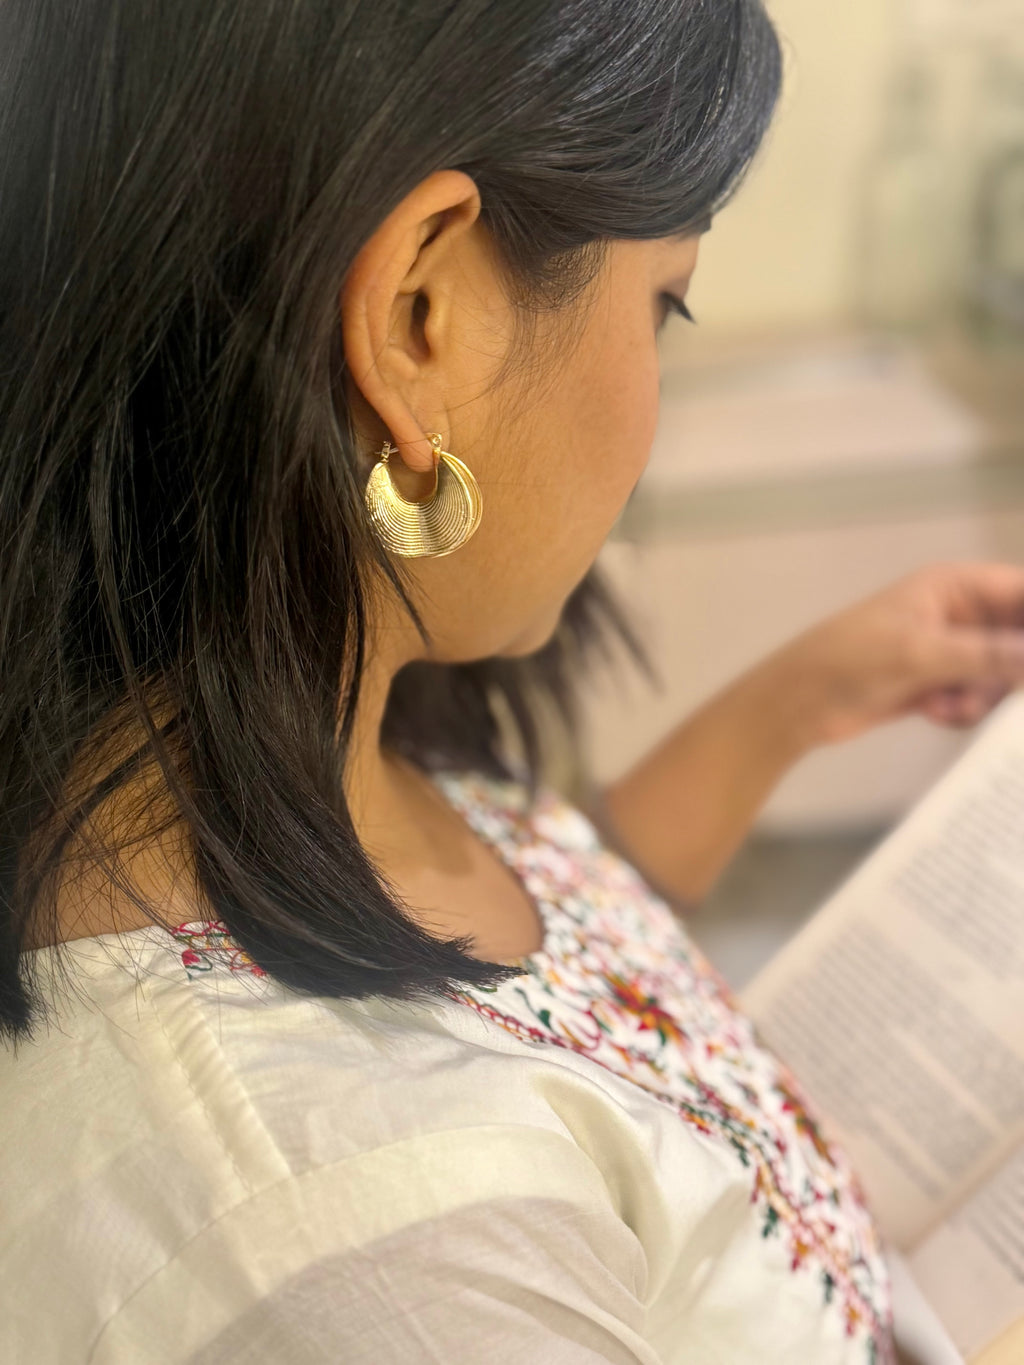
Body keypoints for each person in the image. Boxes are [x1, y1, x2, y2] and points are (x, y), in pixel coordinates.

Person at [3, 2, 1024, 1361]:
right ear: (422, 317)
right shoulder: (368, 1267)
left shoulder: (262, 732)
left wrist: (796, 705)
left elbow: (522, 990)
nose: (656, 386)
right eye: (663, 304)